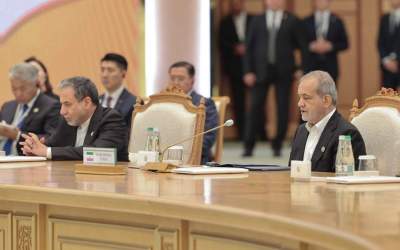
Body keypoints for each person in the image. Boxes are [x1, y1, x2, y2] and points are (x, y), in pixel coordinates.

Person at [243, 0, 307, 157]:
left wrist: (300, 69)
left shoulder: (292, 20)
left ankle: (277, 144)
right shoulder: (257, 20)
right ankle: (249, 145)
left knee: (282, 107)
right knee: (255, 107)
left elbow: (303, 47)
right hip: (260, 71)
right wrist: (248, 71)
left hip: (284, 71)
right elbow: (249, 47)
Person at [20, 76, 128, 161]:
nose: (62, 111)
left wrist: (46, 151)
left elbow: (97, 152)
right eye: (61, 104)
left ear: (86, 102)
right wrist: (34, 148)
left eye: (67, 104)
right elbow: (52, 145)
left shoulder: (111, 119)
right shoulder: (67, 120)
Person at [289, 70, 366, 172]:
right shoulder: (301, 131)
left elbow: (345, 182)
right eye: (300, 97)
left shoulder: (347, 134)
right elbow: (290, 173)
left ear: (326, 101)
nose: (300, 103)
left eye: (306, 98)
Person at [0, 63, 59, 155]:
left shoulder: (51, 106)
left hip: (25, 162)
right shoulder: (7, 106)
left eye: (23, 88)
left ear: (35, 83)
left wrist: (18, 135)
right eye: (14, 88)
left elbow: (51, 139)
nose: (18, 93)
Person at [168, 61, 218, 164]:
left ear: (192, 80)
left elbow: (208, 138)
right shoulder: (164, 104)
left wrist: (181, 152)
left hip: (195, 160)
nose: (176, 82)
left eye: (181, 79)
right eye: (172, 78)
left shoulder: (204, 103)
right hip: (165, 157)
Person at [218, 0, 254, 140]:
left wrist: (247, 49)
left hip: (253, 67)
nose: (236, 5)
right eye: (234, 3)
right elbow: (221, 43)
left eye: (239, 3)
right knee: (238, 102)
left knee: (257, 102)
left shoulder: (253, 20)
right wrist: (235, 48)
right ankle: (242, 134)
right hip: (234, 67)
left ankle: (260, 132)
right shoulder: (225, 22)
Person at [303, 0, 348, 82]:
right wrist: (311, 46)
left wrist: (331, 46)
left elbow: (345, 44)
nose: (321, 2)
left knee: (329, 94)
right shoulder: (306, 21)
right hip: (311, 67)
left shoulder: (337, 21)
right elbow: (299, 43)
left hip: (330, 67)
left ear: (329, 2)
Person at [99, 53, 137, 129]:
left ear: (123, 73)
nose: (105, 75)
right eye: (102, 70)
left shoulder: (134, 103)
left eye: (110, 70)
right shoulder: (96, 101)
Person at [377, 0, 400, 90]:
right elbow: (380, 42)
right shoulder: (385, 18)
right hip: (387, 68)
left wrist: (397, 61)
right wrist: (386, 60)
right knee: (387, 100)